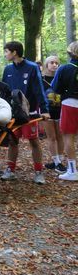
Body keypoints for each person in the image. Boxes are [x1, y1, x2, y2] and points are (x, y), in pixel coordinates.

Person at [1, 41, 50, 184]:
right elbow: (4, 92)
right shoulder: (8, 69)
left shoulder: (32, 68)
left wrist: (45, 110)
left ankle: (38, 172)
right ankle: (10, 170)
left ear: (14, 52)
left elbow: (39, 90)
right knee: (12, 140)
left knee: (33, 141)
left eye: (6, 51)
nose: (5, 54)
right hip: (12, 113)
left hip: (30, 112)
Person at [50, 42, 78, 181]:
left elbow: (55, 88)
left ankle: (73, 171)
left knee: (69, 137)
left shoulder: (65, 68)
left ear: (70, 52)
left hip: (70, 104)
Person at [41, 56, 66, 173]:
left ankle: (60, 160)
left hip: (61, 110)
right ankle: (56, 161)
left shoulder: (62, 77)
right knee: (51, 137)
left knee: (60, 136)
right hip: (47, 111)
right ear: (46, 64)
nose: (54, 65)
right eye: (52, 62)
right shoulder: (41, 79)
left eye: (57, 63)